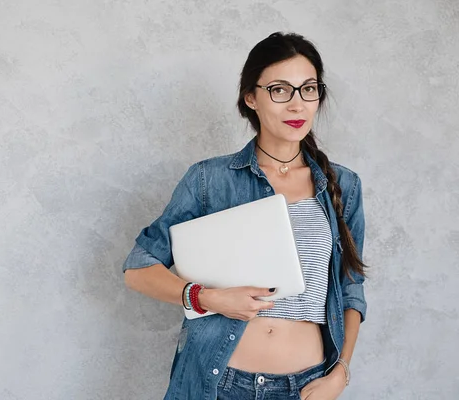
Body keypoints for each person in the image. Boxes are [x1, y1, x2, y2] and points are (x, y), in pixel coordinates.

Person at [122, 32, 368, 400]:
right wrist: (205, 298)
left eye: (308, 89)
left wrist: (341, 373)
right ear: (251, 97)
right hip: (219, 383)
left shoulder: (342, 185)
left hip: (307, 386)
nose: (297, 104)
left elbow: (351, 290)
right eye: (280, 90)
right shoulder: (209, 179)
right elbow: (138, 269)